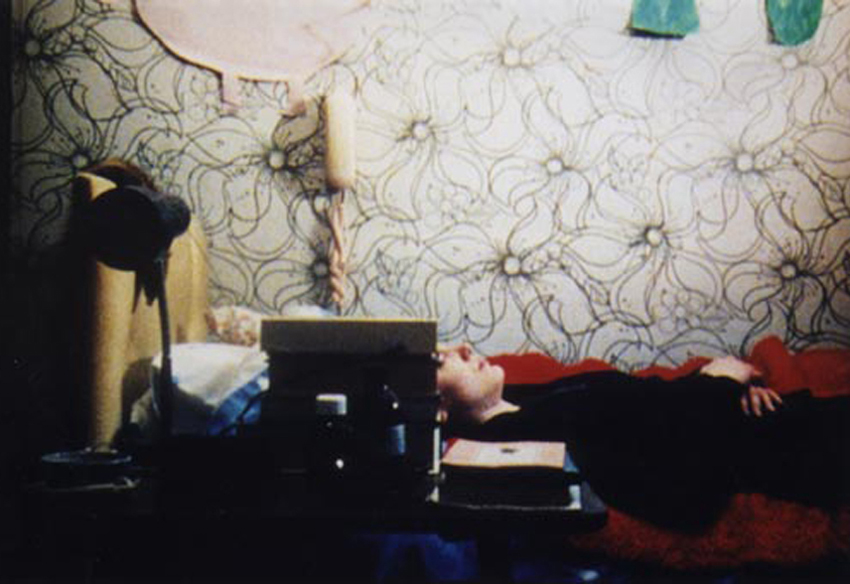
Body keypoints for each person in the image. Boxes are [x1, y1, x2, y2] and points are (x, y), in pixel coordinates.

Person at [436, 344, 850, 530]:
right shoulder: (528, 442)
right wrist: (719, 386)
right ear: (435, 408)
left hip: (768, 414)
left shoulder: (526, 401)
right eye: (441, 359)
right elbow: (684, 495)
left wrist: (736, 387)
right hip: (789, 449)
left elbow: (650, 403)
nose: (465, 348)